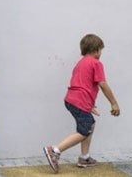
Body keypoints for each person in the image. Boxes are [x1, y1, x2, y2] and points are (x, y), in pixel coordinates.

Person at [43, 33, 120, 173]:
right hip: (79, 100)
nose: (101, 53)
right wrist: (113, 103)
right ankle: (55, 150)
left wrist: (89, 104)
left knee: (90, 123)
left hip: (71, 99)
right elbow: (102, 84)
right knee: (84, 130)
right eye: (101, 50)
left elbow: (81, 84)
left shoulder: (81, 63)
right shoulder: (96, 63)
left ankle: (84, 157)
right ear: (96, 49)